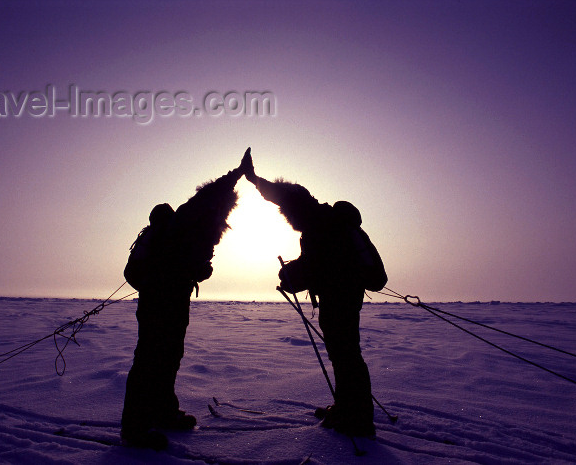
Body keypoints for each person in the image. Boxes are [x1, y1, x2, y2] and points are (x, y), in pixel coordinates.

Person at [244, 151, 387, 438]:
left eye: (288, 211)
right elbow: (320, 263)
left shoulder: (320, 222)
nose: (289, 217)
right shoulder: (331, 225)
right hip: (346, 297)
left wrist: (254, 180)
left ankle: (356, 419)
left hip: (338, 299)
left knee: (345, 355)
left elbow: (317, 264)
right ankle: (348, 407)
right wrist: (296, 273)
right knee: (345, 354)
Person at [121, 149, 253, 449]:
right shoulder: (172, 232)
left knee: (167, 358)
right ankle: (135, 429)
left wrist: (195, 270)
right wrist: (236, 174)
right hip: (159, 305)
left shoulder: (170, 238)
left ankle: (163, 413)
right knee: (150, 362)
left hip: (172, 303)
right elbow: (207, 198)